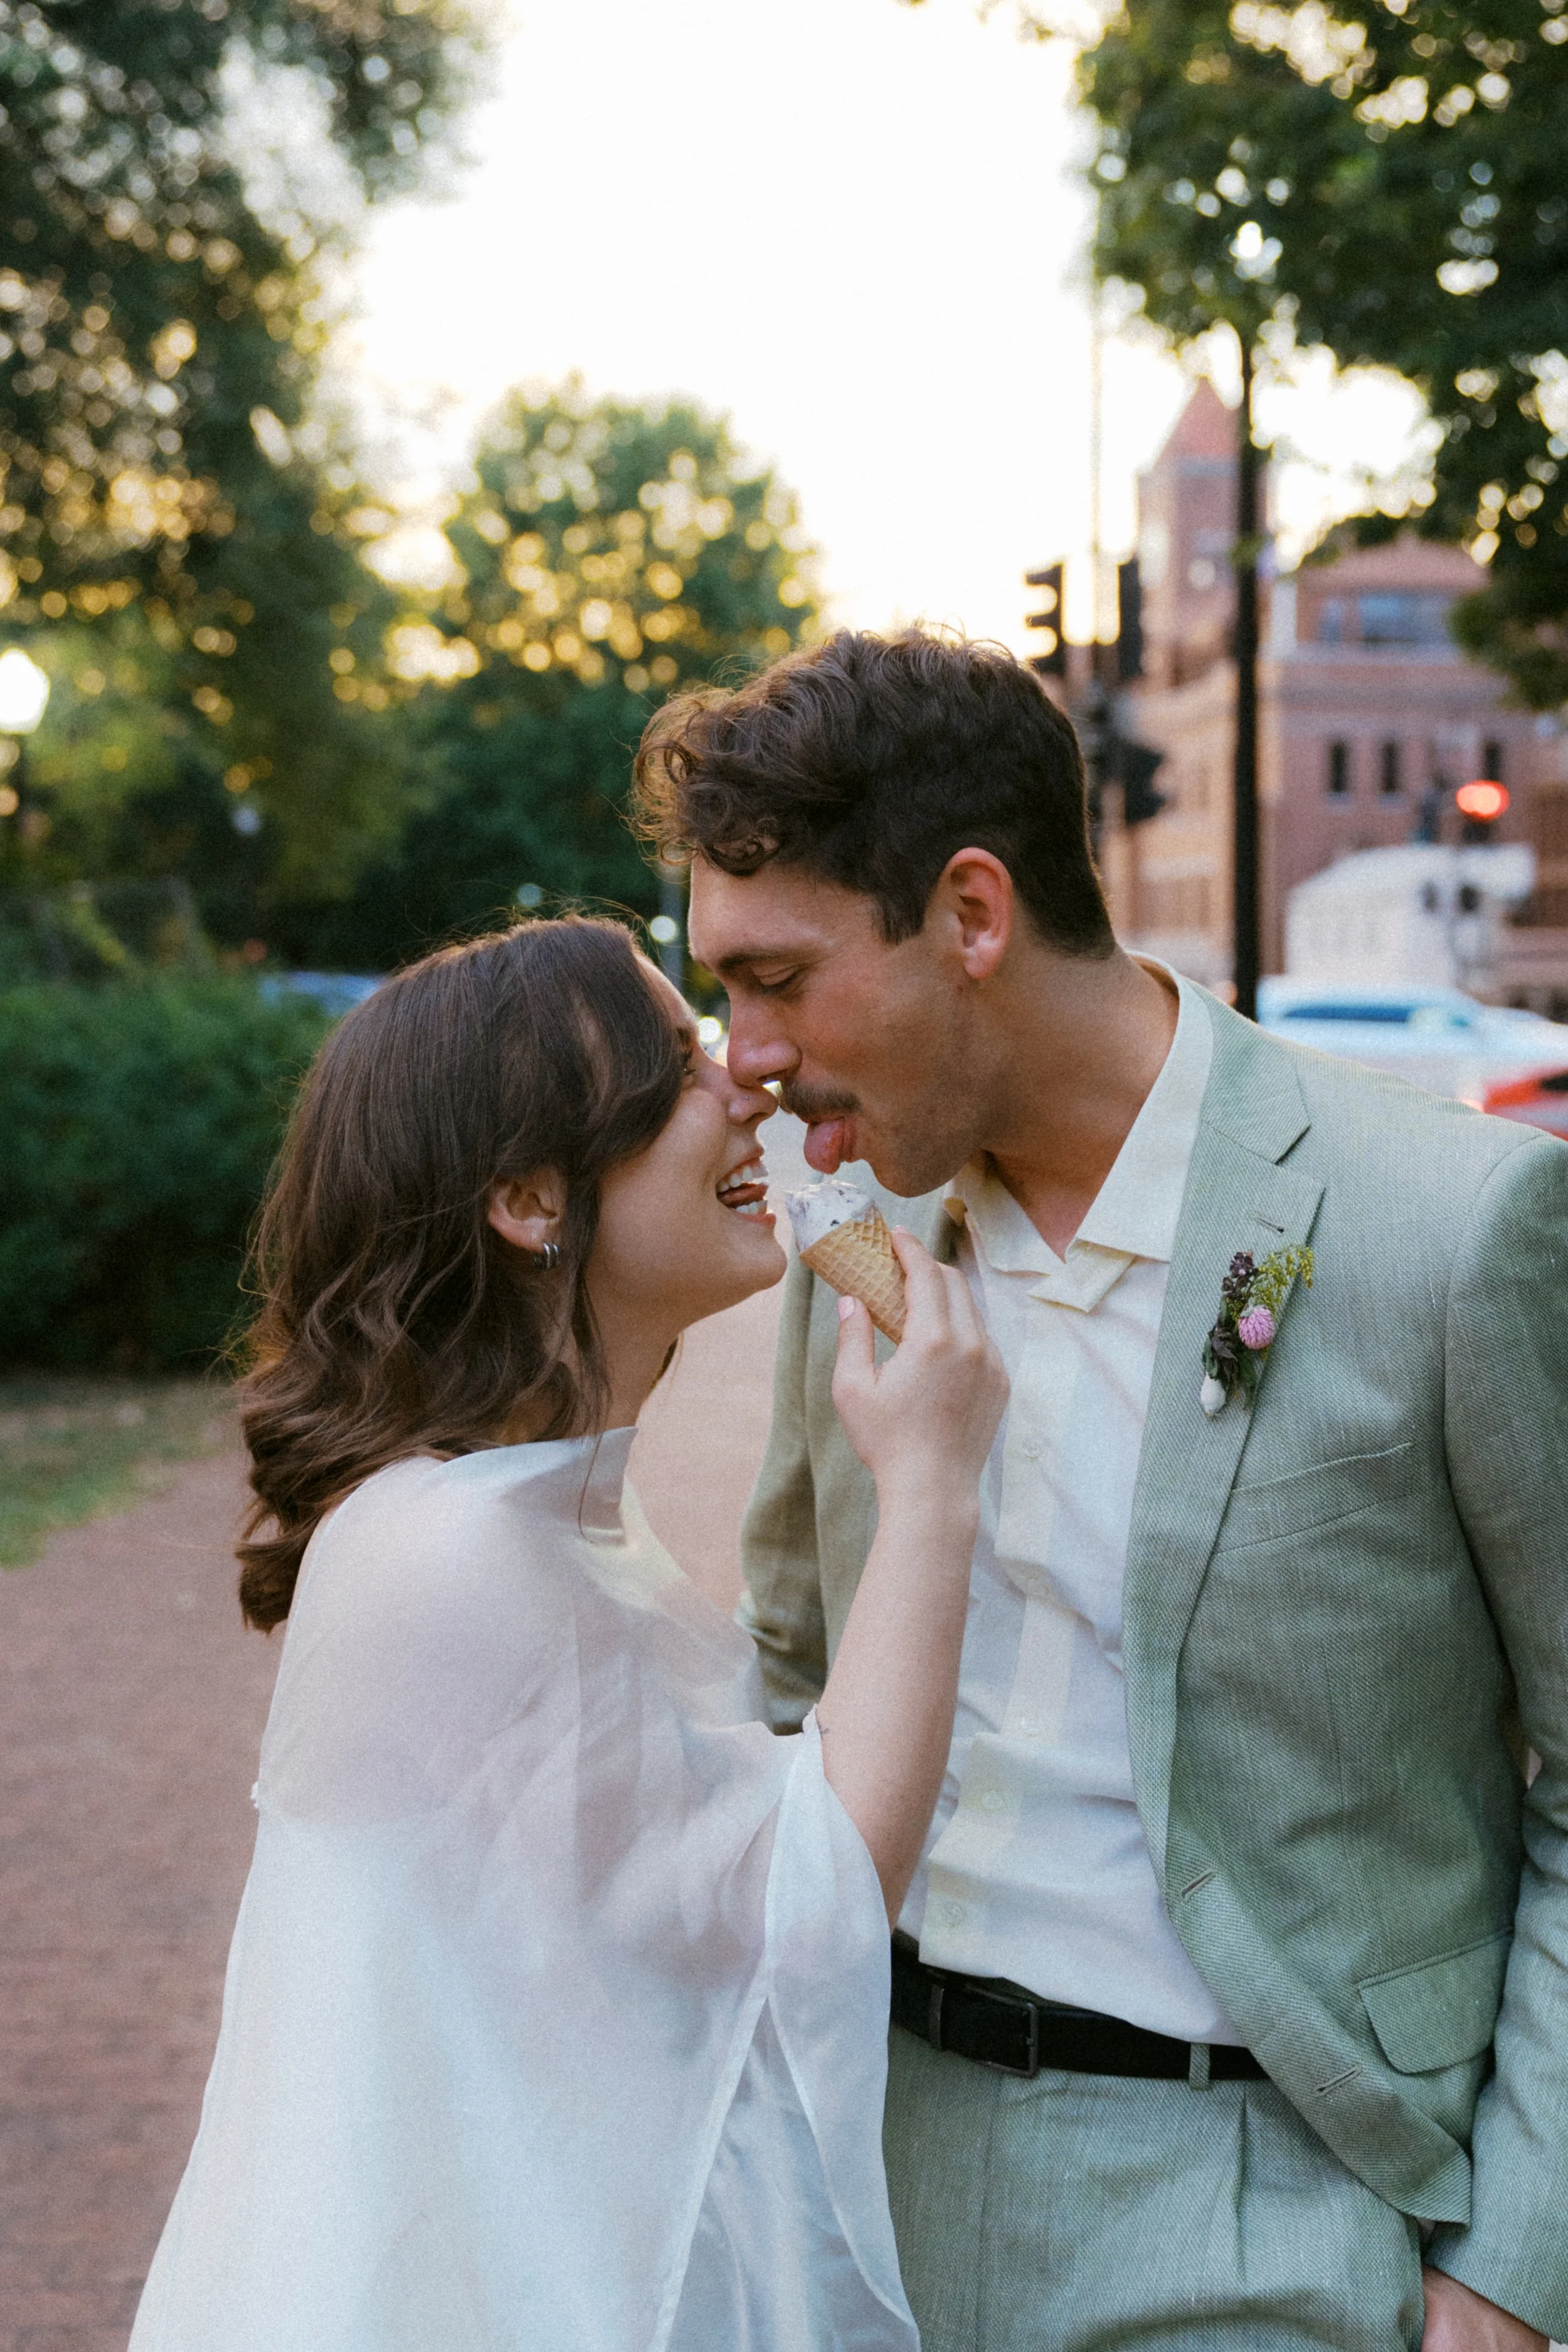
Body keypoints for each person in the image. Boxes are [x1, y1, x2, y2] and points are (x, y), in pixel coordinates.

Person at [637, 628, 1568, 2352]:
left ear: (970, 915)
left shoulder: (1451, 1229)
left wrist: (1509, 2268)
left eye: (777, 975)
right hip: (860, 2178)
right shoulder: (855, 1231)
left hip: (1272, 2202)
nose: (744, 1050)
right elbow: (787, 1665)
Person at [127, 915, 1006, 2352]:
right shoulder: (455, 1556)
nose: (744, 1084)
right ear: (532, 1198)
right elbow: (812, 1892)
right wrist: (929, 1486)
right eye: (670, 1070)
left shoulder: (502, 1515)